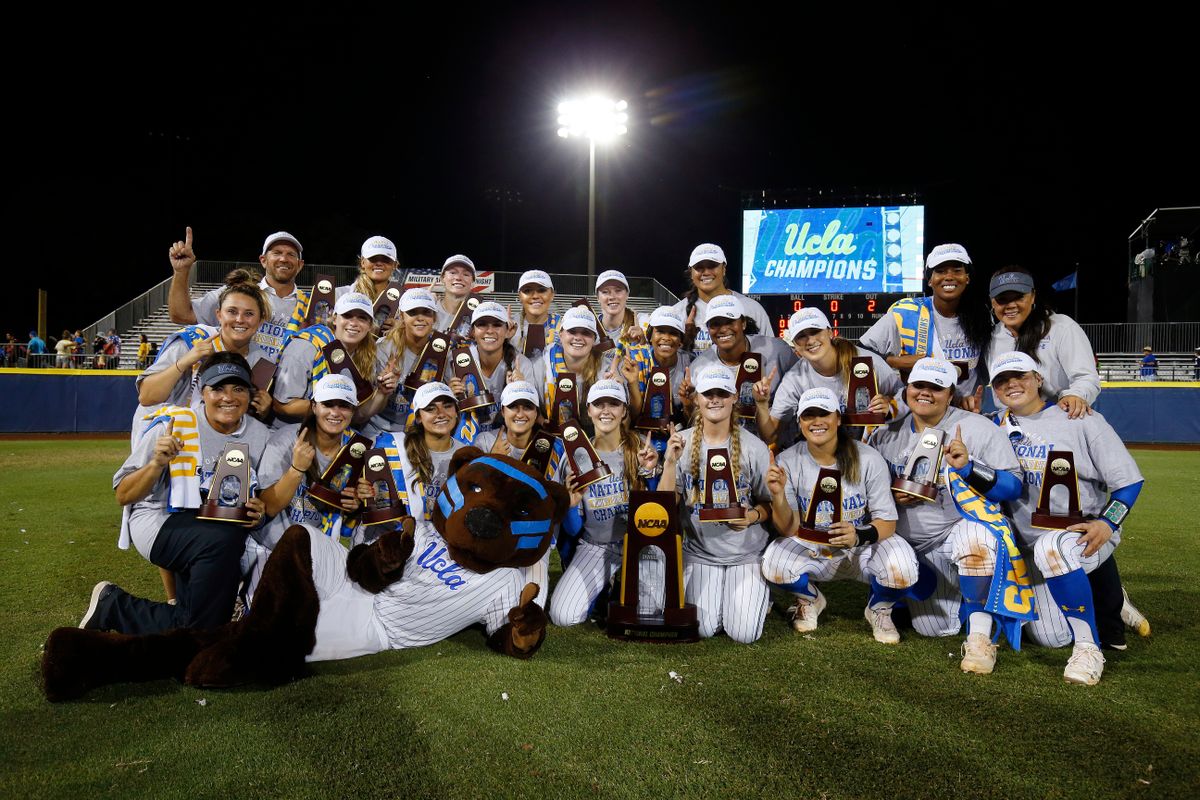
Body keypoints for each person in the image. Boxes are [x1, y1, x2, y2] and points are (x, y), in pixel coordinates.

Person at [82, 353, 271, 634]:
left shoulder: (259, 433)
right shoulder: (175, 424)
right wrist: (157, 464)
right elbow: (123, 494)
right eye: (218, 388)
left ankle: (113, 606)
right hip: (158, 521)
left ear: (249, 393)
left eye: (238, 388)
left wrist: (259, 511)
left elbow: (257, 497)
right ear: (203, 393)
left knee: (199, 623)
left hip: (209, 529)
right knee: (224, 538)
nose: (228, 397)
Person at [989, 351, 1145, 684]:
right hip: (1026, 547)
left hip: (1081, 534)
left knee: (1053, 549)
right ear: (994, 388)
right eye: (1002, 380)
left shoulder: (1080, 418)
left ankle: (1089, 648)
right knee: (1050, 637)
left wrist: (1108, 523)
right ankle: (1094, 594)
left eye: (1020, 376)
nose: (1012, 384)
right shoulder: (992, 426)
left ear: (1038, 379)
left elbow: (1129, 482)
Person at [867, 357, 1027, 674]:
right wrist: (889, 494)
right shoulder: (886, 435)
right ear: (907, 389)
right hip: (916, 549)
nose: (925, 393)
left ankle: (981, 638)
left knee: (978, 537)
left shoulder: (977, 428)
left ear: (950, 393)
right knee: (935, 628)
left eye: (935, 387)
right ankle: (916, 596)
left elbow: (1013, 487)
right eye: (919, 385)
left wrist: (968, 468)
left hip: (959, 534)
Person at [761, 387, 917, 644]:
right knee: (773, 564)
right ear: (800, 423)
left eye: (824, 414)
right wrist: (778, 495)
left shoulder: (867, 457)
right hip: (813, 546)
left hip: (861, 547)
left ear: (839, 418)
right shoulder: (788, 460)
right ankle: (810, 599)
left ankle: (879, 608)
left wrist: (859, 535)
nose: (817, 422)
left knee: (903, 568)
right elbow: (788, 529)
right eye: (809, 416)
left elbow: (887, 522)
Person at [659, 365, 774, 643]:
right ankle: (730, 600)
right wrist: (670, 463)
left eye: (722, 393)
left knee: (744, 634)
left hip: (746, 554)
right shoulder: (682, 442)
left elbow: (770, 505)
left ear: (734, 397)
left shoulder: (753, 446)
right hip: (700, 552)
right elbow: (663, 507)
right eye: (708, 393)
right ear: (697, 398)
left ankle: (753, 598)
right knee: (702, 628)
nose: (715, 399)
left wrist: (752, 516)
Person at [549, 380, 664, 626]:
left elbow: (659, 513)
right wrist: (571, 504)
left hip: (640, 544)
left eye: (614, 403)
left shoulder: (642, 447)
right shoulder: (576, 455)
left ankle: (618, 587)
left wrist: (650, 475)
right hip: (596, 545)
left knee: (648, 615)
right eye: (599, 404)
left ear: (624, 410)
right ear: (588, 410)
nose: (606, 410)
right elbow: (571, 530)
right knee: (563, 616)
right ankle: (607, 591)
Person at [135, 276, 273, 443]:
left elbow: (243, 416)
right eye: (232, 311)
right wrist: (187, 360)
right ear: (219, 315)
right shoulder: (193, 340)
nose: (239, 319)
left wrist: (264, 410)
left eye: (249, 314)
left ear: (261, 320)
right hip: (165, 436)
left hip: (212, 443)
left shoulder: (263, 362)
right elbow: (147, 397)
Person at [860, 243, 992, 405]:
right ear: (930, 280)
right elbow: (860, 353)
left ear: (967, 277)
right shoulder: (906, 312)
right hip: (915, 412)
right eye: (940, 271)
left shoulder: (981, 315)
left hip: (964, 413)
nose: (949, 276)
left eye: (957, 270)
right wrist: (893, 362)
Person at [756, 307, 900, 448]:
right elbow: (771, 436)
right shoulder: (795, 379)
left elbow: (904, 396)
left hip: (869, 450)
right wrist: (762, 405)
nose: (810, 340)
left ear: (830, 332)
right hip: (822, 453)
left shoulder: (865, 361)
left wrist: (890, 405)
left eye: (815, 331)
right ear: (795, 346)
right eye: (801, 336)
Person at [259, 374, 372, 550]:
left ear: (353, 411)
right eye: (327, 404)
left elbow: (356, 514)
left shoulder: (360, 450)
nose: (335, 413)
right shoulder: (285, 440)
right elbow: (268, 507)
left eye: (344, 406)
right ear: (314, 407)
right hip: (271, 546)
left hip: (322, 549)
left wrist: (355, 506)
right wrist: (296, 469)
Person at [168, 229, 306, 365]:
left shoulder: (310, 306)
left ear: (300, 265)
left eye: (291, 254)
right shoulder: (237, 293)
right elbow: (181, 315)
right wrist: (181, 271)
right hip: (235, 380)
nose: (283, 259)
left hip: (286, 385)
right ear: (263, 260)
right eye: (277, 253)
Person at [983, 266, 1100, 419]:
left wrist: (1075, 395)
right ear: (992, 302)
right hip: (1012, 422)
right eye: (1002, 299)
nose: (1010, 305)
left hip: (1059, 416)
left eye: (1018, 297)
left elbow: (1086, 377)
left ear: (1032, 297)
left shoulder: (1062, 327)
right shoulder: (991, 338)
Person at [684, 294, 796, 437]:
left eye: (729, 321)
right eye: (715, 324)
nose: (723, 329)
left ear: (742, 323)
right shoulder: (699, 368)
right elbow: (698, 422)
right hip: (729, 449)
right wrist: (688, 405)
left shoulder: (778, 351)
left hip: (780, 447)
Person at [272, 292, 383, 426]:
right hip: (293, 430)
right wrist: (335, 406)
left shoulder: (367, 355)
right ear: (335, 319)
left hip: (335, 432)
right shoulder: (305, 348)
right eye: (347, 316)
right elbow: (283, 405)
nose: (354, 323)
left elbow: (357, 415)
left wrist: (383, 392)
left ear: (370, 325)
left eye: (362, 318)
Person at [447, 302, 535, 436]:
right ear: (472, 332)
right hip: (465, 440)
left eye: (497, 324)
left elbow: (530, 416)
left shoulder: (521, 364)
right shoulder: (456, 361)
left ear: (507, 331)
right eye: (482, 324)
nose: (490, 330)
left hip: (506, 440)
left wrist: (522, 392)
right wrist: (449, 397)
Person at [671, 243, 772, 355]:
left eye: (712, 266)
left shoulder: (751, 308)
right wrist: (685, 341)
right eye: (699, 268)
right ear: (691, 273)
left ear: (724, 269)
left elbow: (771, 352)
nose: (706, 272)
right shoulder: (677, 313)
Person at [365, 288, 440, 437]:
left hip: (421, 431)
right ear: (401, 316)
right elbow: (366, 408)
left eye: (426, 312)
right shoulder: (383, 349)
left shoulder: (442, 352)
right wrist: (383, 391)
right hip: (378, 428)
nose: (420, 318)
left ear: (435, 318)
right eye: (413, 312)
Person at [541, 306, 620, 433]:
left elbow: (624, 420)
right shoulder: (543, 364)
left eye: (585, 332)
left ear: (594, 339)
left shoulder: (607, 368)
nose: (578, 337)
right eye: (572, 331)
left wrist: (614, 393)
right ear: (561, 335)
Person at [509, 269, 561, 390]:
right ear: (520, 296)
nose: (535, 296)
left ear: (552, 294)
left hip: (555, 397)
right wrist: (504, 340)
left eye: (542, 290)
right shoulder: (509, 327)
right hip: (519, 396)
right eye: (527, 291)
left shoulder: (565, 327)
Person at [336, 236, 401, 306]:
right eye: (373, 258)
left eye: (385, 259)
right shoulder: (338, 295)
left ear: (395, 265)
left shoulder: (404, 299)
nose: (379, 263)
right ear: (363, 262)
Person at [594, 269, 650, 345]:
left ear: (627, 295)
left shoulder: (642, 321)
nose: (612, 297)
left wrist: (644, 343)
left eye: (618, 290)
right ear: (597, 297)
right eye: (605, 292)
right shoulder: (590, 328)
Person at [434, 254, 478, 338]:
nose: (458, 277)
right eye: (453, 272)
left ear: (473, 283)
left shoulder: (479, 318)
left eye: (466, 274)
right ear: (442, 278)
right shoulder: (427, 312)